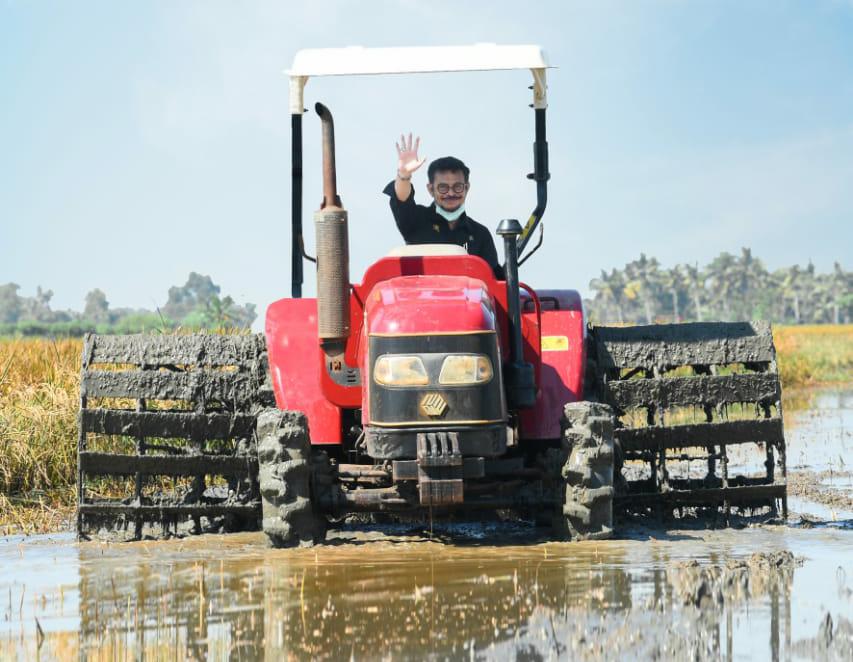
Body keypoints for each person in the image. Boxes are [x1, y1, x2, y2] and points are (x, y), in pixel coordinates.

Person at [382, 133, 503, 279]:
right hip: (421, 299)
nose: (451, 193)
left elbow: (494, 284)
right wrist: (404, 174)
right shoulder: (416, 221)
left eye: (457, 187)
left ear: (467, 188)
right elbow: (402, 199)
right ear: (430, 189)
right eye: (443, 188)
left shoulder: (480, 234)